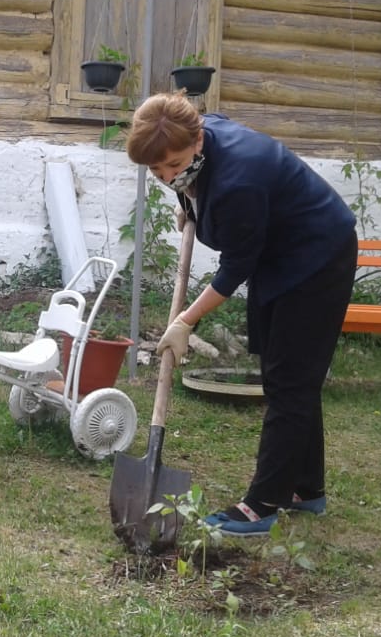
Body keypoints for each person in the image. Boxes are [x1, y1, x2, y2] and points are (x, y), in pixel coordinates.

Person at [125, 92, 358, 536]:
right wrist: (189, 199)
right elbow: (203, 166)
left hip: (317, 257)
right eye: (157, 171)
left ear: (197, 141)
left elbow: (234, 269)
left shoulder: (239, 183)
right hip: (280, 254)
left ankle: (263, 504)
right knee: (286, 375)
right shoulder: (202, 134)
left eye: (175, 166)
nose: (168, 176)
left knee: (290, 382)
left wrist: (185, 322)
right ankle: (306, 488)